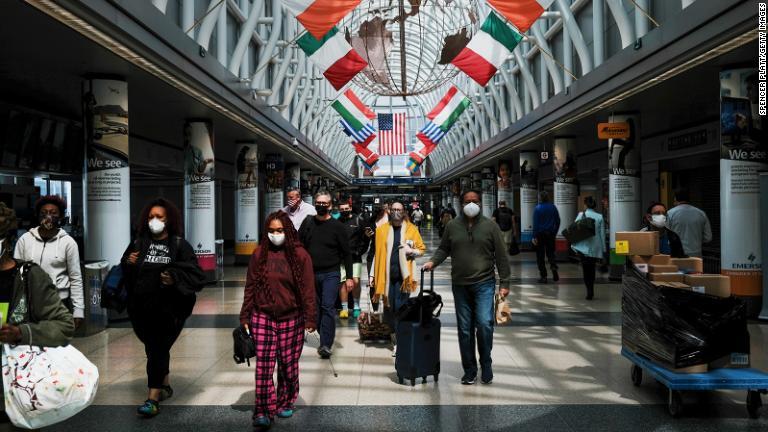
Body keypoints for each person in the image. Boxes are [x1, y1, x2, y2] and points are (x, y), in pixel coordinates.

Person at [121, 198, 206, 418]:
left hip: (169, 310)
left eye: (159, 217)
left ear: (169, 220)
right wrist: (128, 263)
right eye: (151, 217)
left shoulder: (179, 245)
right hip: (141, 309)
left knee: (157, 348)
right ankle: (165, 385)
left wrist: (174, 279)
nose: (154, 221)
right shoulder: (139, 243)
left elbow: (195, 275)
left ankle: (152, 398)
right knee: (154, 349)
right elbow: (127, 273)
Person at [423, 190, 510, 385]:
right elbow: (444, 248)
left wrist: (505, 282)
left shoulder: (490, 226)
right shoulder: (452, 225)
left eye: (475, 201)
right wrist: (433, 262)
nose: (471, 204)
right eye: (467, 201)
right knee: (464, 329)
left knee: (485, 324)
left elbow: (501, 255)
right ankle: (469, 369)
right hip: (460, 285)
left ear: (480, 203)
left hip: (484, 283)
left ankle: (486, 363)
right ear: (461, 204)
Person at [239, 211, 317, 430]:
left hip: (292, 316)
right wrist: (245, 315)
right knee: (264, 365)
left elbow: (309, 290)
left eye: (280, 230)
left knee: (288, 364)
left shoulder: (300, 256)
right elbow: (250, 286)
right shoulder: (259, 254)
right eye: (271, 231)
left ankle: (285, 399)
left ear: (288, 231)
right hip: (262, 316)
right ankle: (262, 410)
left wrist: (311, 318)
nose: (275, 234)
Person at [14, 195, 84, 329]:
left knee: (56, 344)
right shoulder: (25, 240)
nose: (48, 217)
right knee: (29, 344)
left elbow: (75, 278)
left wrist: (78, 310)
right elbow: (17, 275)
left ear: (61, 217)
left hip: (59, 302)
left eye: (53, 213)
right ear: (38, 216)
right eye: (44, 213)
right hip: (29, 302)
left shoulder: (68, 243)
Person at [298, 191, 354, 359]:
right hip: (310, 273)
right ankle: (323, 335)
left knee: (328, 306)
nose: (321, 206)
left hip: (331, 273)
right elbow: (298, 246)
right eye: (318, 203)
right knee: (315, 308)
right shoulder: (308, 223)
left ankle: (326, 344)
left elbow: (347, 253)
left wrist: (350, 277)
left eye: (324, 203)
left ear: (330, 206)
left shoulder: (338, 227)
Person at [370, 202, 426, 355]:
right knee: (389, 309)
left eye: (399, 210)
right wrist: (372, 274)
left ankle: (401, 341)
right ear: (389, 211)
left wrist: (411, 251)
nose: (396, 212)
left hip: (404, 278)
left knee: (401, 308)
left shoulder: (411, 229)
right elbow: (377, 253)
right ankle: (394, 336)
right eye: (393, 209)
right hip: (386, 276)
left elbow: (421, 249)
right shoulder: (381, 230)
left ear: (404, 212)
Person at [338, 200, 371, 319]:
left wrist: (360, 251)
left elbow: (367, 237)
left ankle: (356, 306)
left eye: (346, 209)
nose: (344, 211)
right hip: (341, 258)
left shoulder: (359, 220)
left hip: (355, 256)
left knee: (355, 281)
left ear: (350, 208)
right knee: (342, 282)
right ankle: (344, 308)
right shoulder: (338, 222)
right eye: (342, 209)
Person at [570, 197, 605, 300]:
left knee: (586, 269)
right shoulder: (600, 216)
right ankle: (591, 288)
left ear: (585, 205)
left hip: (583, 247)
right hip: (595, 247)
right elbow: (602, 235)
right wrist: (603, 251)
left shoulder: (581, 215)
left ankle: (589, 291)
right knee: (592, 268)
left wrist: (573, 244)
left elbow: (574, 229)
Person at [667, 188, 712, 258]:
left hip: (677, 255)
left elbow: (667, 236)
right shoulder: (701, 213)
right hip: (696, 255)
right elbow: (708, 238)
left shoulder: (670, 213)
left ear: (675, 198)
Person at [532, 191, 560, 283]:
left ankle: (544, 276)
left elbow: (535, 224)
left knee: (540, 256)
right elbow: (558, 220)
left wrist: (534, 236)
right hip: (550, 234)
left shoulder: (537, 208)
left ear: (540, 198)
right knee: (551, 253)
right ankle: (553, 266)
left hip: (540, 235)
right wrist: (555, 232)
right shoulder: (553, 207)